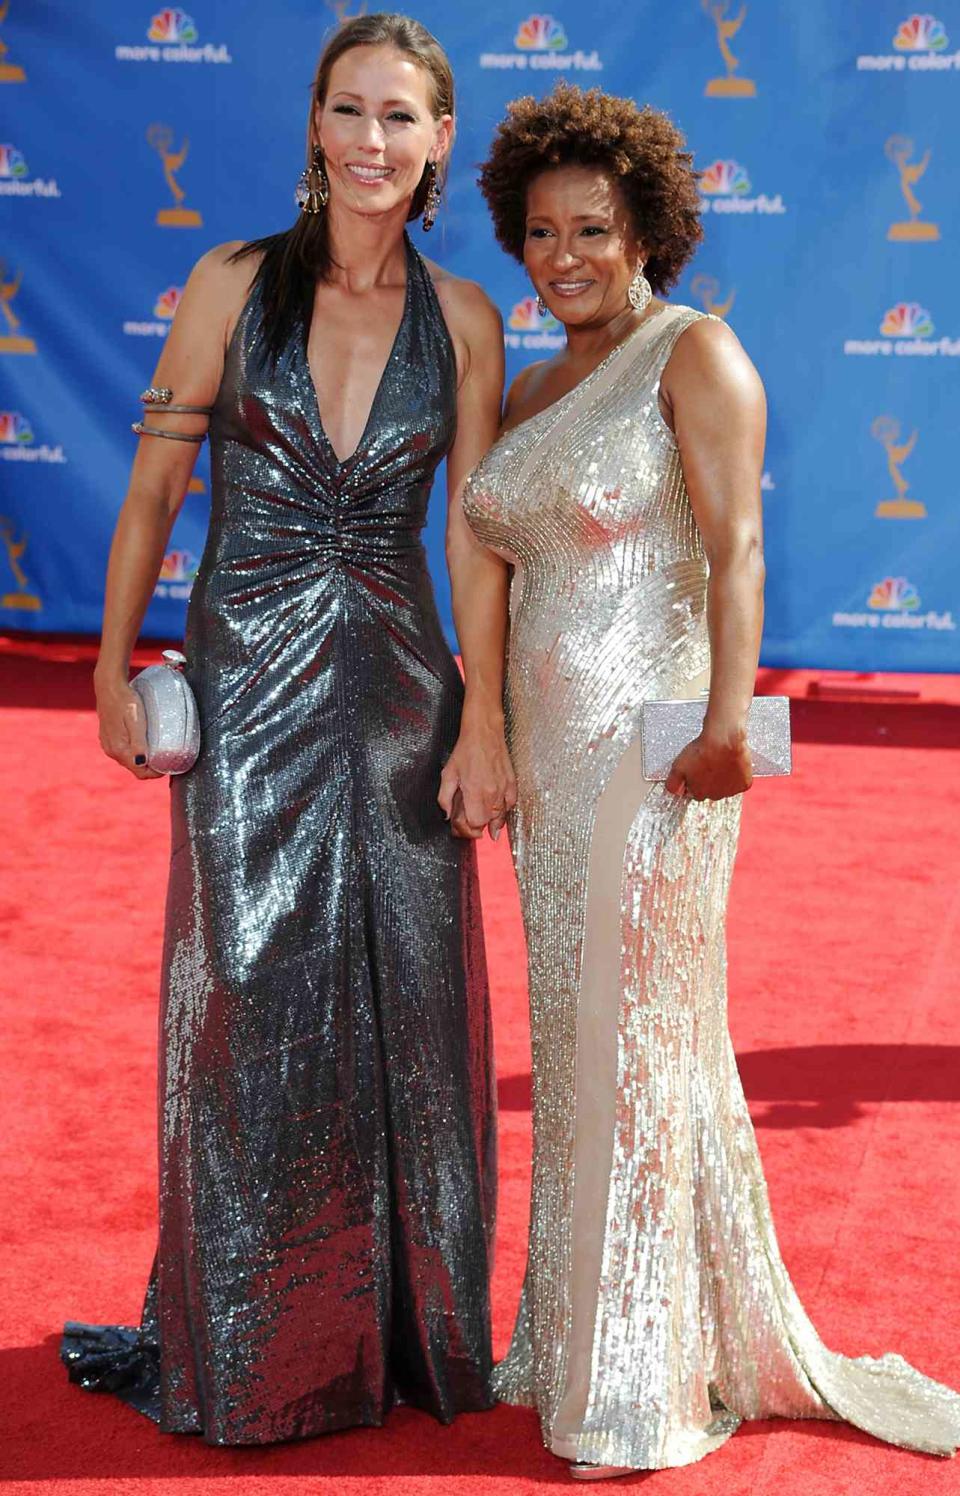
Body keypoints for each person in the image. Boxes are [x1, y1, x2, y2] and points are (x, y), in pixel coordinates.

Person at [464, 82, 960, 1479]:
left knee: (639, 1042)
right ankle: (583, 1340)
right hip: (553, 775)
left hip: (664, 755)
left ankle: (638, 1384)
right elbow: (503, 558)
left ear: (649, 231)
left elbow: (738, 550)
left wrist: (734, 725)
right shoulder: (534, 380)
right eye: (543, 232)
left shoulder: (698, 353)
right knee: (586, 1052)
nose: (566, 256)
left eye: (595, 230)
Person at [61, 13, 515, 1446]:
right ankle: (251, 1346)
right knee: (245, 995)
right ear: (315, 125)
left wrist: (482, 722)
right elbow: (149, 494)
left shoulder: (467, 323)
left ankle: (405, 1337)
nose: (372, 142)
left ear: (443, 142)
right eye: (349, 112)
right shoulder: (230, 283)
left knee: (411, 999)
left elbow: (477, 542)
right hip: (243, 678)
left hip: (397, 688)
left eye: (402, 118)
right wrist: (110, 667)